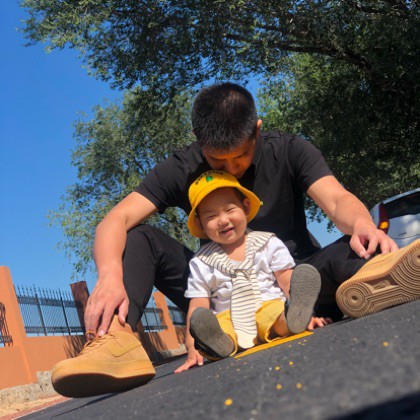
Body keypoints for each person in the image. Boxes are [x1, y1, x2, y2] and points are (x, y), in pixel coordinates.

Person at [51, 82, 420, 398]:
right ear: (199, 142)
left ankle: (377, 275)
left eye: (240, 157)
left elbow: (337, 199)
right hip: (219, 293)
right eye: (218, 162)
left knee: (348, 248)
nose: (232, 169)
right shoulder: (180, 167)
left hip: (292, 283)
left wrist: (362, 224)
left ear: (257, 130)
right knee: (139, 238)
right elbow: (115, 219)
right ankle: (117, 342)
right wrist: (110, 275)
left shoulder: (290, 149)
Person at [175, 170, 324, 372]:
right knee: (218, 325)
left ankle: (295, 318)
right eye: (211, 216)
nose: (223, 220)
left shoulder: (268, 243)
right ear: (200, 224)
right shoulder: (201, 262)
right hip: (228, 316)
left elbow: (288, 281)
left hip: (267, 305)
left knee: (277, 313)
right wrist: (192, 347)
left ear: (245, 207)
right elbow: (198, 304)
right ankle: (218, 343)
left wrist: (309, 314)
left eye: (229, 209)